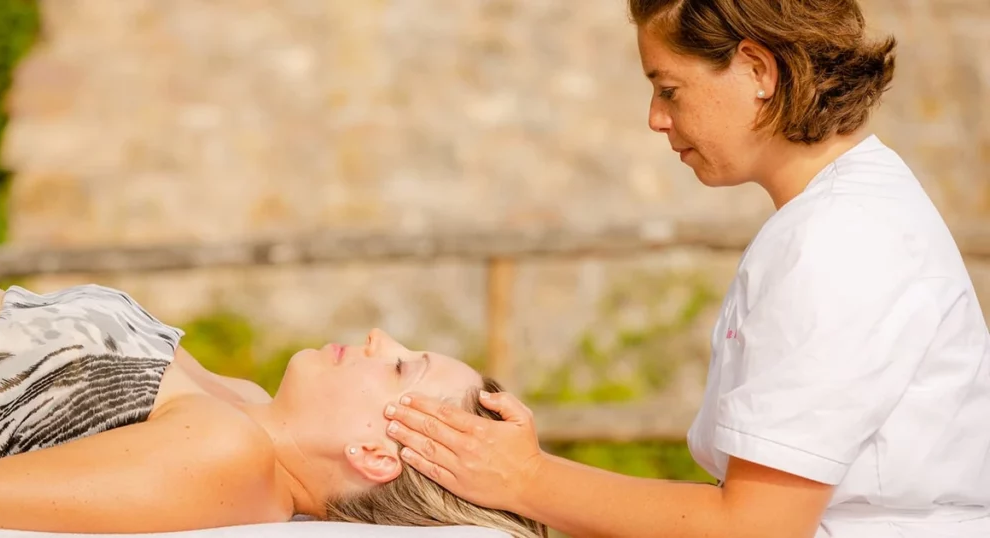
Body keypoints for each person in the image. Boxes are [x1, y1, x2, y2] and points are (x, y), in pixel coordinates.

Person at [381, 1, 990, 537]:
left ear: (758, 71)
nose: (656, 117)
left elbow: (757, 528)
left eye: (669, 89)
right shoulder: (840, 216)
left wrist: (526, 480)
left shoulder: (839, 240)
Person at [0, 275, 548, 538]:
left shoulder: (227, 453)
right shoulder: (243, 404)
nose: (378, 338)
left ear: (373, 454)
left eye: (400, 366)